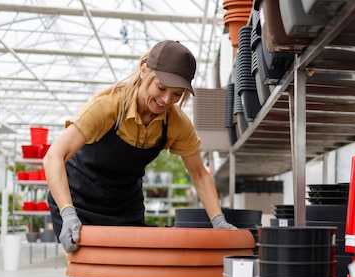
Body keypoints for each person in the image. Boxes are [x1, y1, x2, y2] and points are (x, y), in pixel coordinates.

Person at [43, 40, 236, 253]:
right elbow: (54, 157)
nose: (166, 100)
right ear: (144, 70)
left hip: (124, 206)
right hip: (79, 200)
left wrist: (218, 221)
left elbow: (199, 174)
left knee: (130, 270)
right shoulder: (108, 106)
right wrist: (68, 214)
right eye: (161, 88)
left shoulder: (175, 124)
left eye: (177, 94)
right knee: (91, 272)